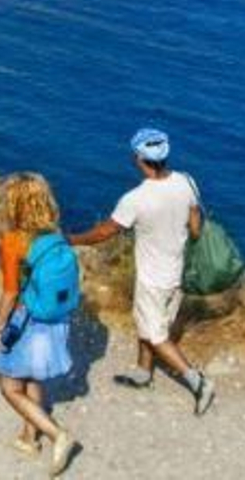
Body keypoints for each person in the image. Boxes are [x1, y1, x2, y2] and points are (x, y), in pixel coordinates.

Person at [66, 128, 217, 415]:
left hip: (152, 278)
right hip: (178, 274)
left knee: (157, 335)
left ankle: (198, 383)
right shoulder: (186, 182)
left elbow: (105, 232)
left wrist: (73, 239)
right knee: (153, 325)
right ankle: (143, 372)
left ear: (139, 158)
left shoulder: (136, 198)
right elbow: (196, 228)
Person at [0, 172, 80, 476]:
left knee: (9, 386)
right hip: (57, 320)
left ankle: (58, 435)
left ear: (13, 206)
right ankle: (29, 438)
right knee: (32, 378)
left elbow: (11, 291)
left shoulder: (13, 241)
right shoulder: (57, 237)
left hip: (30, 321)